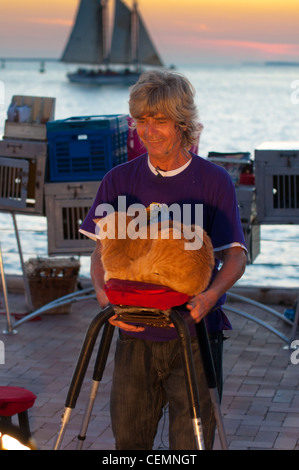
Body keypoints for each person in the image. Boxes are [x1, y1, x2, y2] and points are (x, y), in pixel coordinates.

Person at [79, 70, 247, 450]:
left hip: (195, 332)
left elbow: (236, 256)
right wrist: (107, 301)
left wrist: (209, 296)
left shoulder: (213, 181)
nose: (149, 131)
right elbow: (100, 254)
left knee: (190, 445)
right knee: (129, 442)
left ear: (182, 123)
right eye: (141, 120)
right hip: (134, 333)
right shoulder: (118, 180)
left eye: (161, 121)